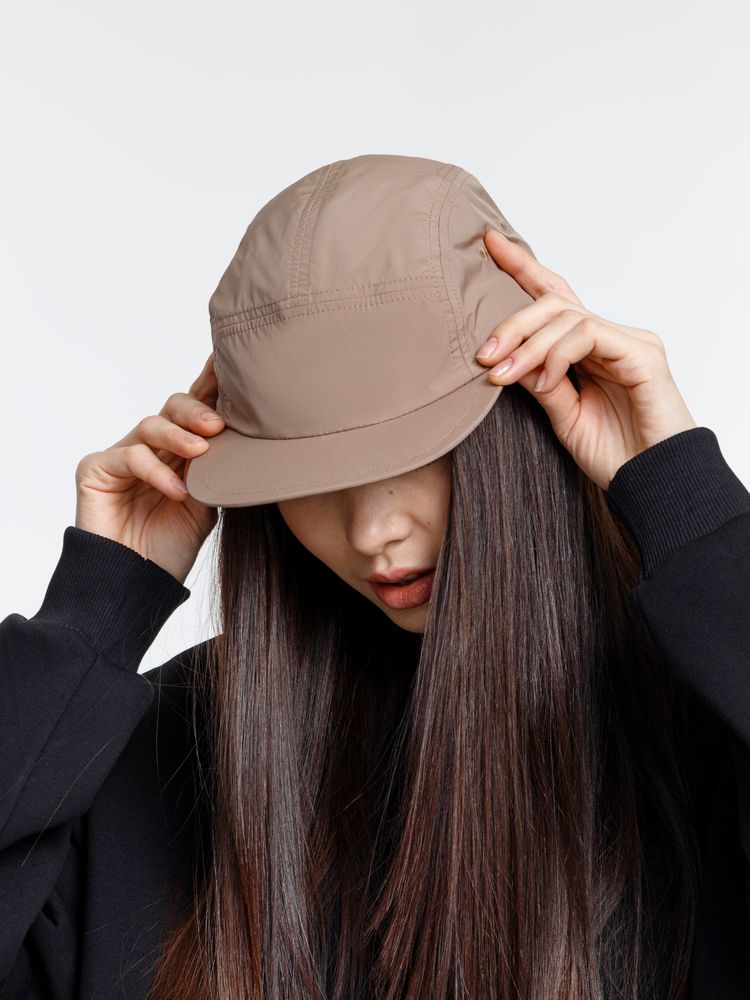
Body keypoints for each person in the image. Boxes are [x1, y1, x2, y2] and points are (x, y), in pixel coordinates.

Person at [1, 154, 749, 1000]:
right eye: (307, 477)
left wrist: (688, 503)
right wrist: (95, 615)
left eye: (415, 454)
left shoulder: (695, 721)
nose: (371, 531)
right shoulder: (169, 756)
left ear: (525, 405)